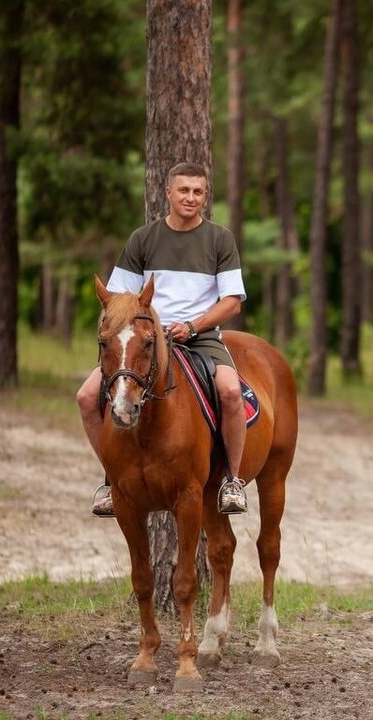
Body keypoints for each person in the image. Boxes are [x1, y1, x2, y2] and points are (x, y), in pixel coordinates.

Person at [77, 161, 250, 517]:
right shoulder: (143, 239)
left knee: (232, 392)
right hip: (144, 337)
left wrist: (194, 324)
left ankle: (232, 481)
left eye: (198, 192)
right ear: (167, 192)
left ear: (205, 195)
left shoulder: (220, 239)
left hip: (199, 337)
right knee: (86, 396)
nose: (191, 198)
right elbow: (116, 297)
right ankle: (112, 480)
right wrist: (139, 327)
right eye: (183, 190)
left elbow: (231, 301)